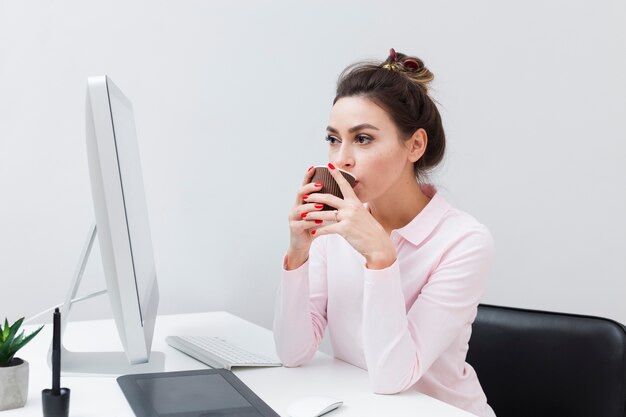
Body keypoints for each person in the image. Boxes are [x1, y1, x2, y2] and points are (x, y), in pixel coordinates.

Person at [273, 48, 496, 417]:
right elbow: (292, 353)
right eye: (333, 139)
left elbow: (393, 377)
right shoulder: (337, 226)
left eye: (363, 139)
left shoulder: (465, 241)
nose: (341, 158)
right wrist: (298, 255)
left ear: (415, 145)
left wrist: (380, 258)